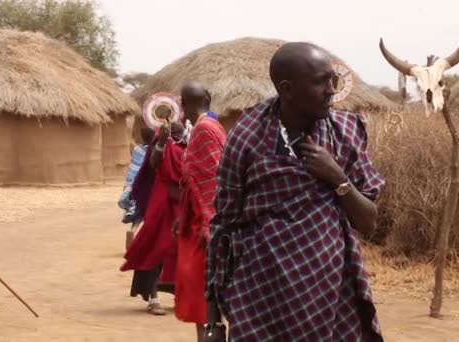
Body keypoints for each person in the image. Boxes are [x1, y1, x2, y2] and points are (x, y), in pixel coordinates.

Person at [204, 43, 385, 341]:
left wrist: (338, 178)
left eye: (333, 80)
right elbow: (223, 227)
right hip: (261, 300)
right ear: (286, 89)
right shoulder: (247, 139)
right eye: (319, 82)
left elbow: (368, 221)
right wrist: (212, 322)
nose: (331, 90)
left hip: (334, 300)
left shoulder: (345, 133)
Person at [174, 82, 226, 342]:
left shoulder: (205, 130)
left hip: (203, 227)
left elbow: (211, 181)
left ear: (182, 105)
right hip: (196, 221)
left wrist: (209, 224)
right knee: (201, 297)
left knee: (201, 299)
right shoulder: (209, 126)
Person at [120, 121, 187, 315]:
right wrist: (162, 141)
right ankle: (154, 299)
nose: (176, 132)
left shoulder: (187, 145)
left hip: (181, 203)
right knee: (157, 248)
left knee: (180, 250)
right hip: (162, 203)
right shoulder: (160, 145)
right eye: (172, 130)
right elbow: (154, 163)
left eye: (178, 129)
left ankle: (179, 296)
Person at [118, 127, 155, 249]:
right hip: (149, 187)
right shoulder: (155, 151)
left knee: (138, 215)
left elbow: (134, 169)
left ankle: (133, 232)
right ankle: (148, 243)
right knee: (151, 216)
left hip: (136, 186)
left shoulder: (137, 149)